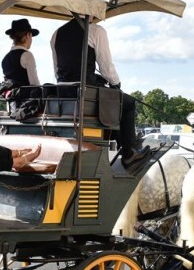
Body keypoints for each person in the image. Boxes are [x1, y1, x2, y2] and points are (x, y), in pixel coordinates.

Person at [50, 17, 150, 168]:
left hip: (64, 93)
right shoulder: (96, 31)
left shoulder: (56, 34)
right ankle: (129, 153)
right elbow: (106, 68)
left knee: (115, 102)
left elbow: (57, 71)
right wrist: (116, 83)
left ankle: (122, 141)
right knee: (128, 103)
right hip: (86, 94)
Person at [1, 18, 41, 88]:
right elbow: (34, 83)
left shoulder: (5, 58)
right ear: (28, 35)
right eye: (31, 36)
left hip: (11, 97)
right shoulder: (27, 55)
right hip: (26, 98)